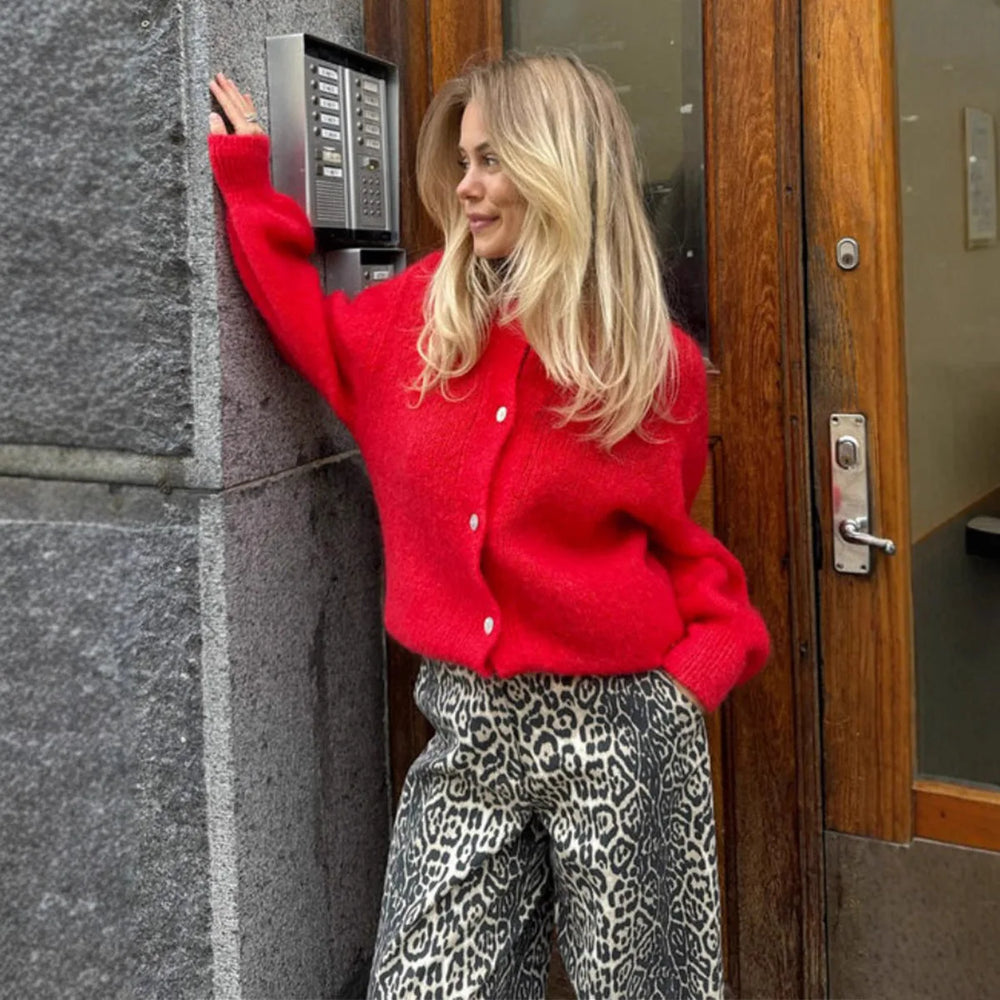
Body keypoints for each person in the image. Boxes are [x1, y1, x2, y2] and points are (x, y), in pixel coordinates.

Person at [208, 51, 769, 1000]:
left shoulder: (648, 365)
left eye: (491, 161)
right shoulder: (419, 322)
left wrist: (686, 686)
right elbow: (308, 324)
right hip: (469, 729)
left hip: (619, 727)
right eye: (462, 161)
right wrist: (249, 181)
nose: (464, 188)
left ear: (559, 167)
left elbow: (683, 550)